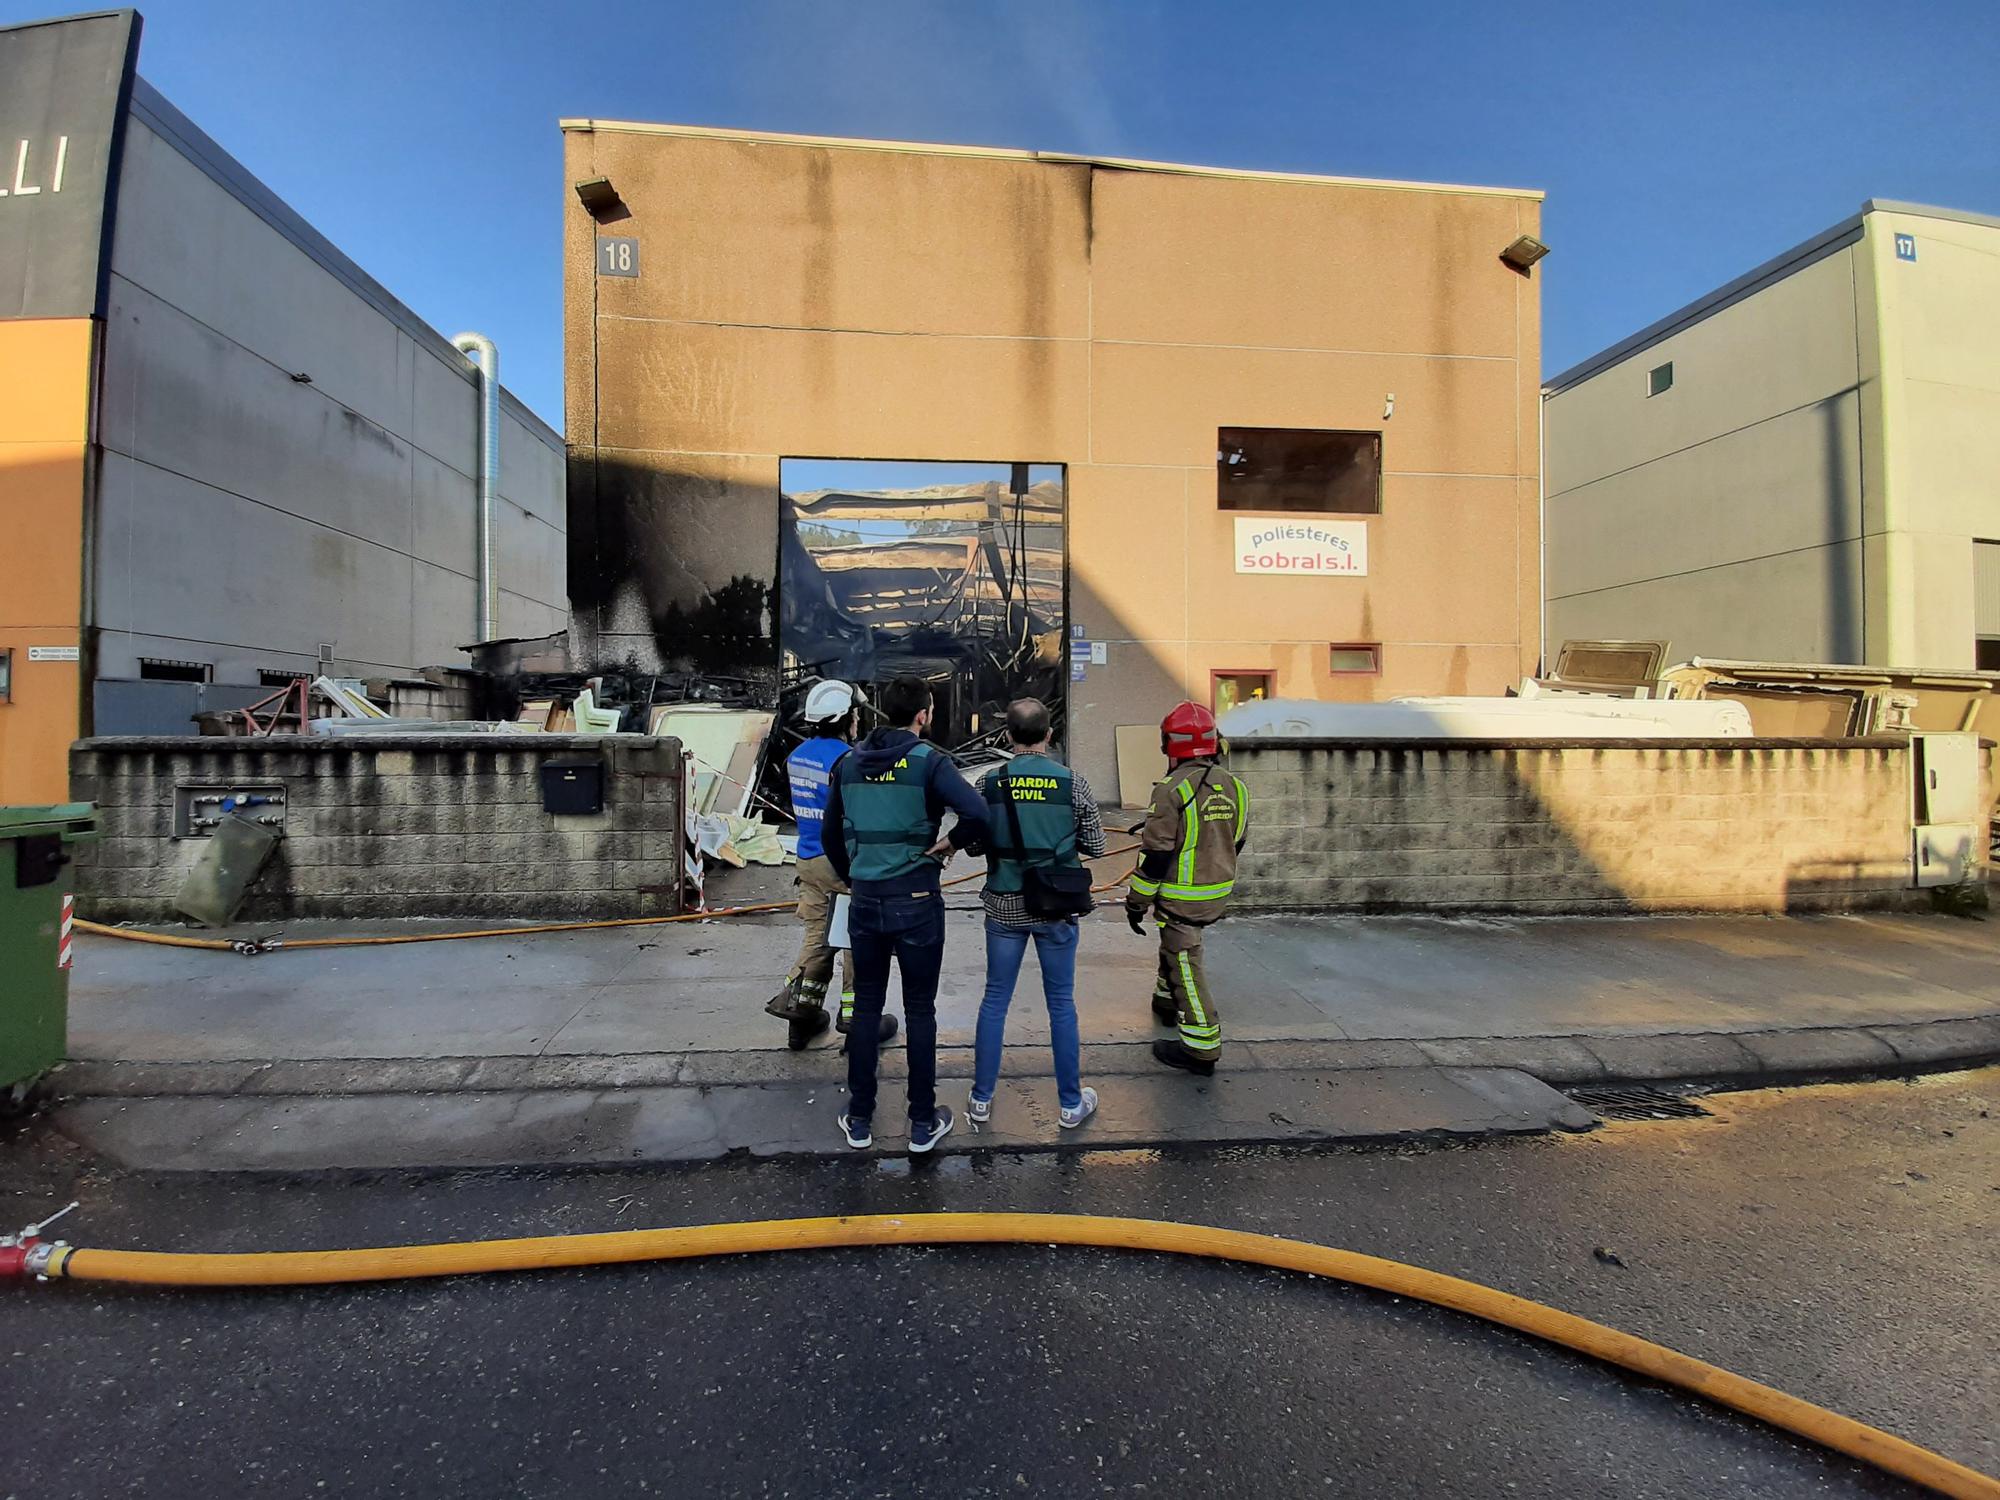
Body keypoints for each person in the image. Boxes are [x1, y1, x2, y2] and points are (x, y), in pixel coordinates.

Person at [823, 675, 989, 1152]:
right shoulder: (930, 762)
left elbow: (832, 838)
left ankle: (859, 1118)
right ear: (923, 714)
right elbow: (979, 814)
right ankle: (921, 1122)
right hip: (917, 903)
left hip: (867, 902)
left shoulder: (849, 762)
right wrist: (949, 843)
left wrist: (857, 878)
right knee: (920, 1011)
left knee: (867, 1007)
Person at [967, 698, 1106, 1130]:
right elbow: (1098, 846)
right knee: (1061, 1004)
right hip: (1056, 908)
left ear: (1007, 735)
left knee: (994, 1001)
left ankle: (980, 1100)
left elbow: (973, 843)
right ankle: (1069, 1104)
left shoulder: (989, 783)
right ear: (1049, 735)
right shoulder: (1073, 783)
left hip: (1004, 905)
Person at [763, 679, 898, 1053]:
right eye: (856, 714)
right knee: (857, 940)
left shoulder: (798, 756)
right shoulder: (847, 760)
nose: (858, 720)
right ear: (847, 718)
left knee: (817, 940)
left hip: (807, 860)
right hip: (842, 861)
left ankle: (801, 1016)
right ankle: (858, 1021)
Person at [1125, 701, 1250, 1076]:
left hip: (1182, 896)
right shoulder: (1235, 786)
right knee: (1175, 944)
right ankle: (1165, 1001)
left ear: (1169, 745)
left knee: (1186, 961)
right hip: (1218, 889)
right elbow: (1237, 839)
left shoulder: (1171, 790)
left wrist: (1136, 902)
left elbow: (1156, 857)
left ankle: (1201, 1049)